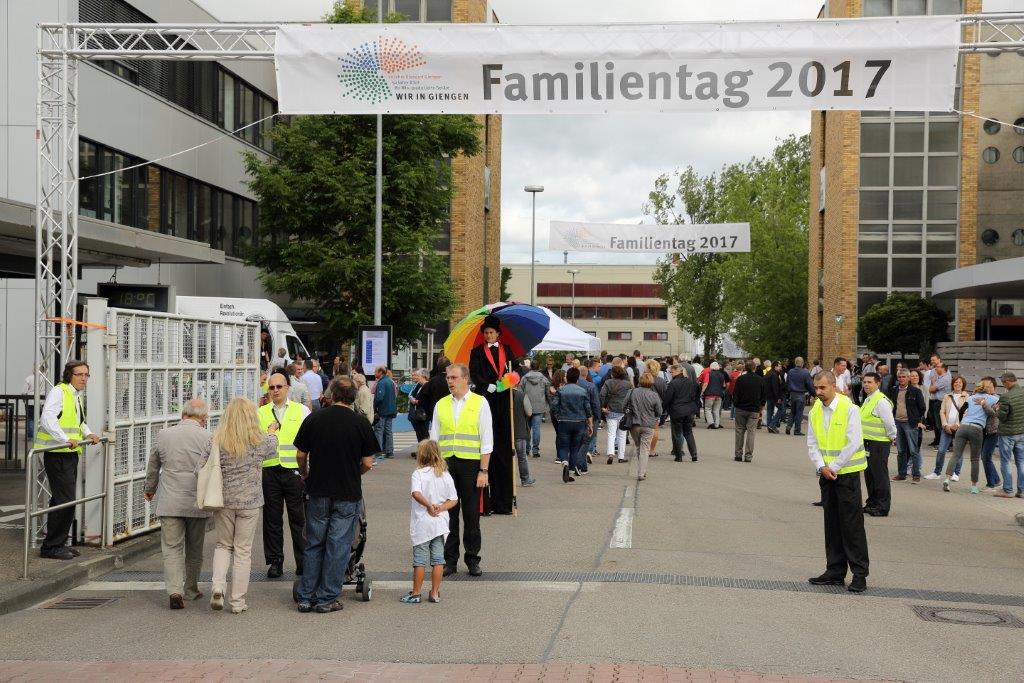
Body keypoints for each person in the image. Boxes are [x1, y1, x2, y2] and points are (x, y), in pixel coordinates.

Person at [294, 377, 378, 613]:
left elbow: (300, 454)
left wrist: (305, 473)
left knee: (314, 542)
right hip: (347, 492)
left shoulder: (314, 419)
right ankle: (327, 597)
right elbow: (368, 462)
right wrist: (354, 472)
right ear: (353, 397)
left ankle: (306, 596)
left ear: (331, 395)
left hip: (318, 489)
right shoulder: (360, 423)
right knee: (338, 544)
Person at [198, 397, 278, 614]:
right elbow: (273, 449)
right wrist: (272, 431)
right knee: (243, 551)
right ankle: (237, 601)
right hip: (250, 502)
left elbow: (201, 467)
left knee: (223, 545)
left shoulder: (216, 439)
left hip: (223, 501)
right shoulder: (259, 440)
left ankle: (218, 587)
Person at [144, 398, 212, 609]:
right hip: (197, 501)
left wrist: (150, 489)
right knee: (195, 549)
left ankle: (174, 590)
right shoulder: (208, 437)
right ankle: (191, 589)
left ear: (183, 414)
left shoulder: (164, 435)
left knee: (172, 548)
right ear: (204, 418)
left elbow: (153, 465)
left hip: (170, 501)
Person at [807, 371, 869, 593]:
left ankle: (859, 574)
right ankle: (835, 570)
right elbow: (812, 442)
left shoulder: (849, 408)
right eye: (816, 388)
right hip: (826, 475)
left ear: (834, 386)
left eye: (822, 388)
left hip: (846, 474)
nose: (818, 392)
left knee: (851, 526)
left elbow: (853, 442)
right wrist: (821, 466)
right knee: (832, 524)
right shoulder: (815, 410)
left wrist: (832, 467)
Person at [34, 361, 101, 560]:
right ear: (69, 375)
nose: (84, 378)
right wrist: (64, 439)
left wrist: (89, 433)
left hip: (69, 453)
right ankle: (51, 547)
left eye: (86, 375)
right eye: (79, 374)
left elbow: (79, 422)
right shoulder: (59, 391)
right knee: (66, 501)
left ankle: (57, 543)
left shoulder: (75, 395)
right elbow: (48, 419)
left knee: (61, 500)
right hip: (57, 453)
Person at [431, 363, 492, 577]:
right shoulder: (441, 404)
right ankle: (450, 560)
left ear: (465, 379)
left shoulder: (480, 402)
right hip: (446, 465)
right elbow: (434, 439)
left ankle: (472, 558)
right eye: (448, 377)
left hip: (471, 465)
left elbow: (486, 440)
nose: (449, 381)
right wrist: (434, 468)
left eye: (453, 377)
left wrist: (483, 471)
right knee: (449, 514)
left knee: (471, 514)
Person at [257, 368, 311, 580]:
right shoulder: (260, 413)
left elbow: (311, 440)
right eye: (271, 387)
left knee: (299, 518)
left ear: (287, 388)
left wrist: (307, 469)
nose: (275, 390)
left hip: (294, 472)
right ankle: (275, 561)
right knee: (272, 519)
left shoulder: (301, 411)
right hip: (269, 471)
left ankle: (303, 561)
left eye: (279, 386)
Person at [468, 315, 516, 514]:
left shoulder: (508, 351)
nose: (488, 335)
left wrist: (504, 383)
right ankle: (485, 504)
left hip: (504, 403)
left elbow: (516, 373)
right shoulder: (477, 352)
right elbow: (474, 373)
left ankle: (503, 503)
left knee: (503, 451)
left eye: (491, 332)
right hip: (486, 401)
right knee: (487, 446)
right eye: (486, 333)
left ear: (498, 333)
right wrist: (485, 385)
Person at [401, 440, 458, 604]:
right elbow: (453, 499)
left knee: (420, 560)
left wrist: (428, 506)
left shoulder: (418, 474)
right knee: (438, 560)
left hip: (422, 524)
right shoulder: (445, 474)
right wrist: (440, 507)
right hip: (439, 524)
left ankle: (416, 593)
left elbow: (416, 493)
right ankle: (434, 593)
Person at [941, 378, 998, 494]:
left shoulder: (971, 397)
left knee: (956, 455)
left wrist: (962, 421)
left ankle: (947, 479)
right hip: (977, 428)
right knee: (975, 459)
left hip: (963, 427)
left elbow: (961, 410)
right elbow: (997, 408)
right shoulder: (992, 398)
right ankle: (973, 486)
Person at [859, 373, 896, 517]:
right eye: (864, 382)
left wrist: (893, 437)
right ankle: (872, 503)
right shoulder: (868, 399)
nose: (866, 385)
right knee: (870, 475)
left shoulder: (881, 401)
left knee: (880, 475)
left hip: (879, 443)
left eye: (869, 382)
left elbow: (889, 423)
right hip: (868, 442)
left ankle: (882, 506)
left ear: (878, 383)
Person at [550, 367, 594, 482]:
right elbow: (588, 409)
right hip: (579, 422)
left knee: (563, 446)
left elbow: (554, 406)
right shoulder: (583, 391)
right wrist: (590, 424)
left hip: (564, 421)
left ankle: (564, 462)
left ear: (567, 378)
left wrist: (558, 416)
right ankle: (569, 472)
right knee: (575, 448)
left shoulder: (561, 390)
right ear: (577, 379)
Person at [886, 369, 926, 483]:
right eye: (900, 377)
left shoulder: (915, 391)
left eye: (904, 377)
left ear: (908, 378)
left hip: (910, 423)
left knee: (913, 450)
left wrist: (917, 420)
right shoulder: (894, 390)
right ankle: (902, 474)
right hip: (897, 423)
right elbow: (890, 405)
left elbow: (922, 407)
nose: (901, 379)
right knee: (901, 450)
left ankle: (916, 475)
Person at [926, 375, 968, 481]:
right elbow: (942, 411)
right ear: (952, 384)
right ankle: (937, 472)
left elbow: (967, 413)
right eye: (955, 382)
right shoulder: (947, 396)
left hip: (960, 428)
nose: (957, 384)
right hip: (946, 428)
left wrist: (957, 425)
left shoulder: (967, 397)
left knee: (958, 452)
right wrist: (945, 425)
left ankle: (956, 473)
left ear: (963, 384)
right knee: (941, 450)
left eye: (960, 382)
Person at [629, 373, 664, 481]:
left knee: (638, 446)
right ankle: (641, 472)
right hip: (649, 424)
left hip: (634, 423)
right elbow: (659, 411)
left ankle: (641, 469)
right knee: (645, 448)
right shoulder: (654, 395)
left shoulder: (632, 392)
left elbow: (623, 405)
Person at [995, 372, 1024, 498]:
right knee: (1021, 462)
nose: (1003, 386)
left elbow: (1002, 416)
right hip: (1021, 433)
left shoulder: (1005, 397)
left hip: (1007, 434)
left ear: (1007, 382)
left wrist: (996, 409)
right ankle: (1022, 491)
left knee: (1006, 461)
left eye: (1003, 383)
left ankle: (1007, 490)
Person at [664, 363, 699, 462]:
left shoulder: (673, 383)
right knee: (688, 432)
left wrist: (663, 410)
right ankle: (694, 455)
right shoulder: (689, 382)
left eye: (672, 372)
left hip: (677, 411)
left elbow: (668, 398)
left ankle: (678, 455)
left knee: (678, 433)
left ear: (677, 371)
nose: (671, 374)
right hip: (689, 410)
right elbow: (694, 395)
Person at [731, 361, 765, 463]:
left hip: (741, 408)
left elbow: (735, 394)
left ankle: (738, 454)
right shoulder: (760, 380)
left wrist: (736, 404)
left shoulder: (740, 379)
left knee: (739, 431)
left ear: (745, 368)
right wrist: (761, 407)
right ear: (755, 368)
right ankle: (748, 455)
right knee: (751, 432)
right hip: (754, 409)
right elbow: (763, 396)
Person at [600, 366, 632, 464]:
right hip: (623, 412)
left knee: (611, 434)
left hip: (610, 411)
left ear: (612, 374)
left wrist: (602, 407)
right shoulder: (628, 384)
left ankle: (610, 454)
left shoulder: (608, 382)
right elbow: (631, 397)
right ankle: (621, 457)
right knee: (622, 435)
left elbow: (602, 395)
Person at [521, 361, 550, 459]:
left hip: (526, 406)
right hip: (539, 407)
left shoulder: (524, 378)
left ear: (530, 367)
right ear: (539, 367)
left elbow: (520, 392)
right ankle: (536, 451)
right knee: (536, 430)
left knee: (527, 429)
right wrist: (549, 404)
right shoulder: (544, 378)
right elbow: (547, 393)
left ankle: (526, 449)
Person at [511, 386, 536, 487]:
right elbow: (529, 412)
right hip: (520, 430)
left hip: (504, 433)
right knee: (522, 457)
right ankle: (525, 479)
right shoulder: (521, 395)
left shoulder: (499, 395)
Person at [785, 357, 815, 436]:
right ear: (802, 363)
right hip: (801, 394)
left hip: (792, 394)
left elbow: (787, 383)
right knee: (799, 413)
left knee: (792, 411)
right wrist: (814, 394)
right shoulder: (805, 372)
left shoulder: (790, 372)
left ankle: (788, 426)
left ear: (795, 363)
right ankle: (797, 430)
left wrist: (788, 392)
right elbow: (809, 384)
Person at [372, 367, 397, 459]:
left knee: (379, 430)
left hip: (382, 410)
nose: (374, 373)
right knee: (388, 431)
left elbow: (379, 397)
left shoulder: (381, 382)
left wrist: (374, 406)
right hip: (391, 410)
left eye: (375, 371)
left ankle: (378, 451)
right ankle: (389, 452)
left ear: (380, 372)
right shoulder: (390, 381)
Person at [645, 358, 668, 455]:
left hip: (644, 406)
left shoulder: (643, 379)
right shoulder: (661, 381)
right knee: (655, 429)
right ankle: (652, 450)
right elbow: (665, 395)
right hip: (656, 407)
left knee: (644, 429)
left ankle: (644, 449)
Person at [926, 362, 951, 448]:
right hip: (935, 402)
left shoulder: (945, 378)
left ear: (943, 368)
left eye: (938, 367)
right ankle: (938, 441)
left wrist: (933, 382)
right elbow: (930, 389)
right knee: (936, 424)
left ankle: (946, 444)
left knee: (940, 424)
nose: (936, 368)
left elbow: (932, 389)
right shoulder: (939, 378)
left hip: (941, 403)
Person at [700, 361, 729, 430]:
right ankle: (717, 424)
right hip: (719, 395)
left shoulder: (709, 374)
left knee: (708, 409)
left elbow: (705, 383)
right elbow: (724, 385)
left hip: (709, 394)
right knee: (716, 410)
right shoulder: (721, 375)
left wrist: (702, 391)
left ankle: (711, 423)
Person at [408, 370, 431, 448]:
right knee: (420, 434)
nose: (417, 378)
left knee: (424, 435)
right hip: (419, 413)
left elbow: (424, 400)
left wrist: (416, 401)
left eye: (418, 376)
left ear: (424, 376)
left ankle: (426, 450)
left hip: (423, 414)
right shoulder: (421, 386)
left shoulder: (426, 385)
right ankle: (421, 450)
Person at [765, 361, 786, 433]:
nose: (780, 368)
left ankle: (769, 427)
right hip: (774, 396)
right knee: (781, 410)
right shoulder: (774, 375)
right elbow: (775, 387)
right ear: (775, 367)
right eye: (779, 366)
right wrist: (778, 398)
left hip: (768, 396)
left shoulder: (768, 373)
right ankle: (772, 425)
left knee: (770, 411)